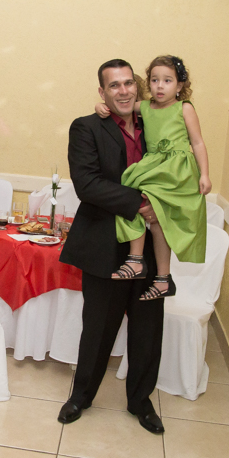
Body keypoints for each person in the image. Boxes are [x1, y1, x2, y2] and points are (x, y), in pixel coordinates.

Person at [58, 59, 166, 434]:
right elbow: (86, 184)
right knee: (98, 329)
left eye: (128, 83)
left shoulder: (156, 124)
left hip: (150, 247)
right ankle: (81, 396)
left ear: (137, 86)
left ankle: (140, 402)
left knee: (148, 329)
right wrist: (140, 203)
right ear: (102, 92)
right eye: (114, 85)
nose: (123, 90)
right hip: (104, 244)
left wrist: (161, 206)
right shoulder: (86, 127)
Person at [95, 55, 210, 299]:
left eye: (167, 81)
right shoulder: (145, 107)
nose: (160, 86)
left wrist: (205, 175)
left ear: (179, 85)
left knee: (152, 210)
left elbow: (198, 142)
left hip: (176, 171)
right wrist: (100, 106)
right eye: (154, 80)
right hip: (154, 165)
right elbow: (119, 105)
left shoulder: (184, 108)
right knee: (142, 207)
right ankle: (159, 277)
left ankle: (139, 262)